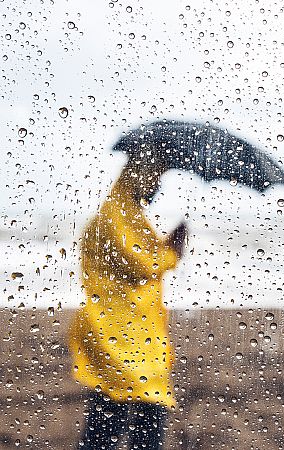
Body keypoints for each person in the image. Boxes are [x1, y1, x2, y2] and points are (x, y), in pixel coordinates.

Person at [69, 152, 187, 450]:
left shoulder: (126, 215)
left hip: (132, 332)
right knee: (138, 415)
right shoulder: (115, 216)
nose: (156, 185)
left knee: (112, 419)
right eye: (154, 176)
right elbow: (141, 263)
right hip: (117, 334)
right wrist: (173, 250)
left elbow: (136, 261)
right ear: (138, 175)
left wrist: (167, 246)